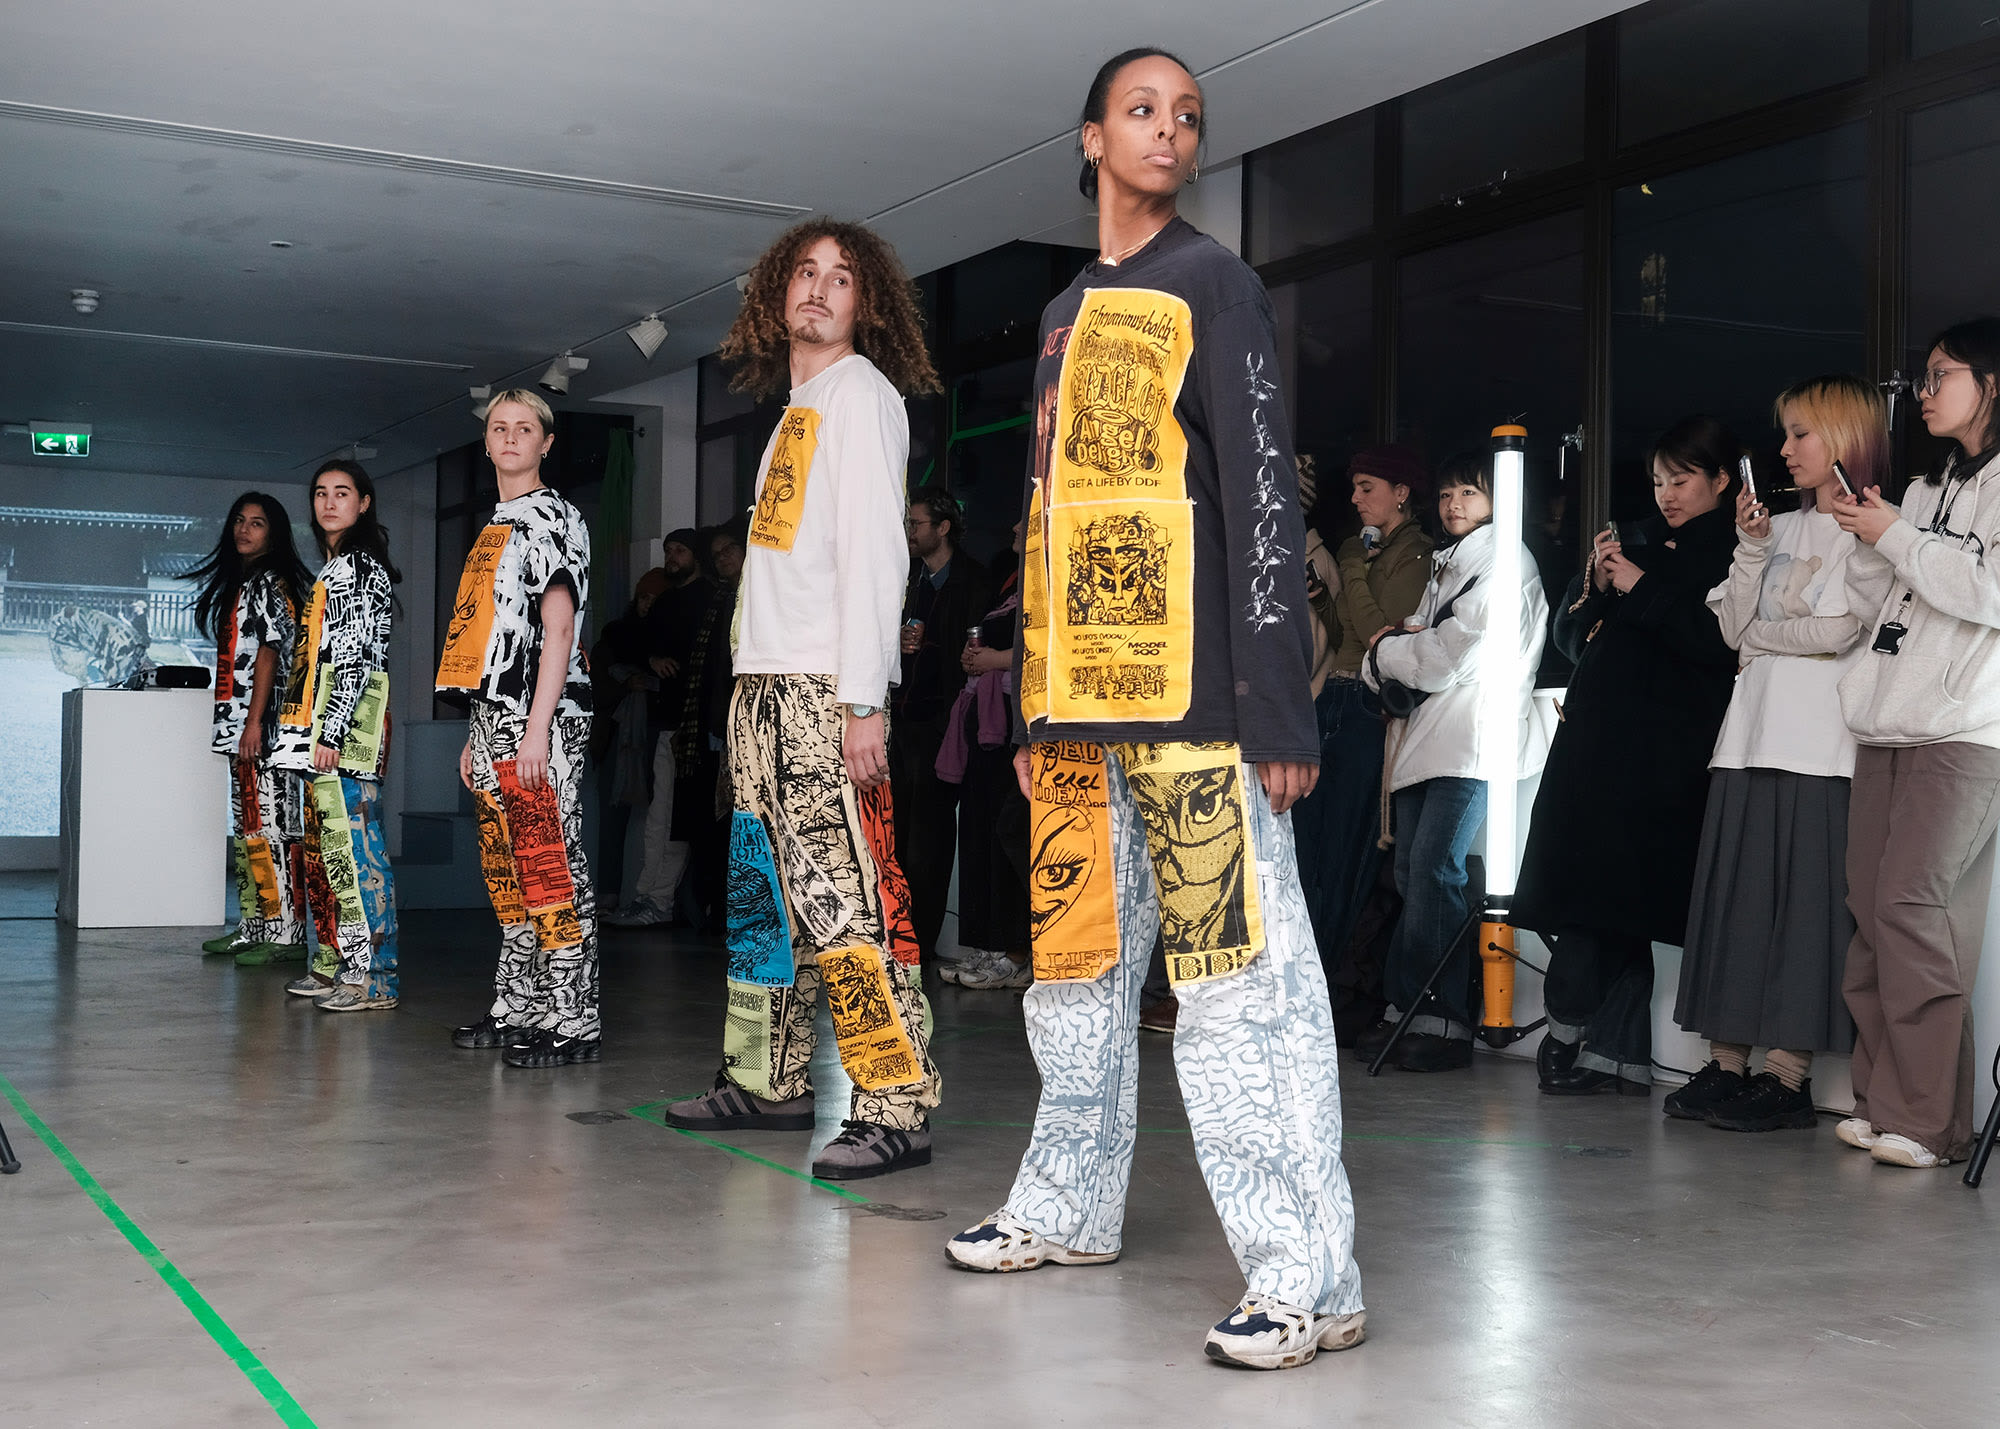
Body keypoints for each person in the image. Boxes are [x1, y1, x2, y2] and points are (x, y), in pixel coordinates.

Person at [943, 49, 1365, 1373]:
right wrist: (1034, 705)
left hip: (1199, 718)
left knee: (1240, 996)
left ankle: (1309, 1279)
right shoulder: (1066, 310)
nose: (1169, 129)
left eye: (1188, 115)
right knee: (1069, 987)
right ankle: (1067, 1206)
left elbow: (1261, 505)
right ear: (1088, 138)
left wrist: (1280, 713)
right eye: (1143, 110)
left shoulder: (1215, 282)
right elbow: (1046, 516)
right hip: (1076, 725)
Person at [663, 217, 945, 1181]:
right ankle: (767, 1078)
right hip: (762, 691)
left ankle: (893, 1100)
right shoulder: (798, 409)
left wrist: (864, 699)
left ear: (867, 304)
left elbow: (878, 552)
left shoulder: (861, 395)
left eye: (842, 278)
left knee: (849, 896)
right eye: (805, 273)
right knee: (761, 896)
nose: (820, 290)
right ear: (776, 293)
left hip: (825, 692)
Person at [1667, 377, 1882, 1131]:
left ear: (1845, 439)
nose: (1785, 450)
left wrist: (1762, 637)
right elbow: (1729, 626)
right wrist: (1753, 551)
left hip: (1822, 745)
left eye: (1800, 435)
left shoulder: (1870, 526)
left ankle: (1786, 1076)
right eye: (1785, 435)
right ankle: (1728, 1063)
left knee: (1805, 910)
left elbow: (1838, 632)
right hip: (1748, 735)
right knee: (1738, 903)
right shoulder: (1776, 528)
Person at [1510, 417, 1742, 1094]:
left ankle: (1570, 1030)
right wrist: (1597, 585)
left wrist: (1637, 584)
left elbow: (1714, 642)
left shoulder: (1734, 550)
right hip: (1597, 741)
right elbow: (1578, 642)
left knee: (1611, 898)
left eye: (1683, 478)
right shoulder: (1645, 545)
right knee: (1600, 898)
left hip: (1662, 754)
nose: (1667, 493)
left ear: (1721, 480)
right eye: (1659, 480)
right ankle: (1617, 1056)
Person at [1832, 317, 2000, 1169]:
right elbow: (1880, 601)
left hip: (1969, 729)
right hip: (1888, 716)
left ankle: (1928, 1119)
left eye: (1941, 375)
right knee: (1872, 909)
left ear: (1992, 382)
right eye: (1924, 377)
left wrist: (1894, 534)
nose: (1925, 392)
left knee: (1910, 907)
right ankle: (1881, 1099)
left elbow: (1990, 591)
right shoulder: (1932, 485)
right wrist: (1866, 533)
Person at [1356, 454, 1549, 1071]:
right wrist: (1397, 649)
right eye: (1446, 492)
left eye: (1468, 491)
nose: (1454, 503)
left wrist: (1391, 650)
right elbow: (1412, 645)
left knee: (1435, 870)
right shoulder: (1452, 563)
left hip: (1473, 741)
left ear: (1498, 498)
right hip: (1435, 739)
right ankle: (1411, 1011)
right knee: (1419, 874)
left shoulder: (1507, 561)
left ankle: (1439, 1020)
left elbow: (1442, 658)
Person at [440, 388, 600, 1068]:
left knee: (550, 866)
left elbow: (558, 629)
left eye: (524, 427)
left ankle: (575, 1018)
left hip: (545, 723)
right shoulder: (496, 525)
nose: (510, 437)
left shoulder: (554, 517)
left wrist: (537, 731)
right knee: (508, 872)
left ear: (545, 442)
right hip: (497, 722)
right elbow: (491, 643)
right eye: (499, 427)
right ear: (486, 442)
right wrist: (477, 733)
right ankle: (521, 1005)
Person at [1290, 445, 1433, 1032]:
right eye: (1353, 487)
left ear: (1401, 491)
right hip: (1334, 698)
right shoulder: (1372, 549)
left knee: (1345, 851)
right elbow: (1347, 627)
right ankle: (1303, 984)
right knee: (1307, 846)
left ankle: (1326, 990)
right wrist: (1328, 595)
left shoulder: (1416, 552)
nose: (1355, 499)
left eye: (1367, 487)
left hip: (1369, 704)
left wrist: (1348, 565)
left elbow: (1380, 630)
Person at [270, 460, 402, 1012]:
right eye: (321, 493)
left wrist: (333, 729)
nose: (329, 502)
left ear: (364, 503)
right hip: (317, 733)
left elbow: (356, 658)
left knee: (357, 854)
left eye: (342, 493)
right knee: (329, 858)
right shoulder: (336, 567)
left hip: (343, 735)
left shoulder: (361, 568)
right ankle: (342, 969)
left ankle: (376, 978)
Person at [191, 492, 314, 966]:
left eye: (257, 523)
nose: (244, 529)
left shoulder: (270, 581)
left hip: (262, 727)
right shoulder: (244, 582)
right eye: (239, 520)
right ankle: (255, 924)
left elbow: (271, 653)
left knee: (276, 826)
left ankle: (285, 933)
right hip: (241, 725)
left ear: (274, 533)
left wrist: (255, 723)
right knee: (249, 829)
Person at [893, 487, 989, 968]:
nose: (910, 532)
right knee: (899, 832)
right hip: (904, 720)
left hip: (944, 723)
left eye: (917, 524)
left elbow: (974, 655)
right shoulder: (909, 579)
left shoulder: (973, 580)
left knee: (927, 839)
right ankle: (899, 934)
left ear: (943, 527)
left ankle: (919, 941)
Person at [941, 519, 1031, 991]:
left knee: (1010, 833)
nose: (1013, 525)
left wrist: (994, 661)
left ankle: (1018, 950)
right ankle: (988, 943)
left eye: (1025, 515)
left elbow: (1049, 649)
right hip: (986, 724)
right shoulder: (1012, 581)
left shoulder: (1050, 577)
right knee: (979, 834)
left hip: (1021, 724)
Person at [605, 528, 709, 928]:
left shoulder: (710, 600)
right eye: (668, 550)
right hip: (667, 721)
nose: (672, 556)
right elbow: (627, 641)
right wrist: (651, 659)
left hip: (693, 724)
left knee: (672, 817)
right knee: (659, 817)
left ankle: (658, 900)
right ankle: (648, 896)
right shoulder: (667, 602)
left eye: (680, 550)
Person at [590, 567, 670, 909]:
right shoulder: (615, 637)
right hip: (619, 737)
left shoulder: (667, 641)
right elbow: (595, 688)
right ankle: (611, 893)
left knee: (660, 818)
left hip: (654, 732)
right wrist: (628, 684)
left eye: (655, 598)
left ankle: (650, 896)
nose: (647, 604)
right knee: (615, 817)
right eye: (643, 597)